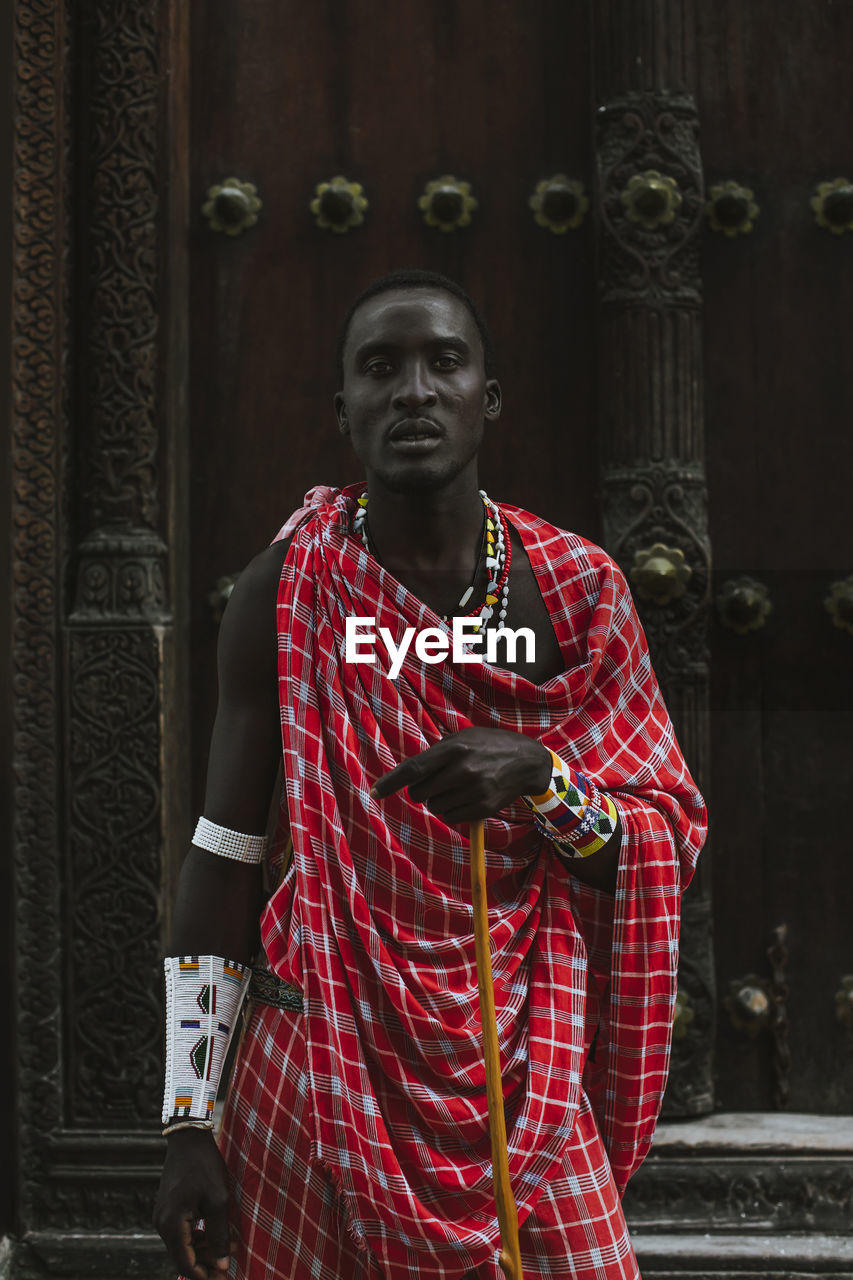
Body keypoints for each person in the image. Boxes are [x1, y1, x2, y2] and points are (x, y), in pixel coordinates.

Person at [153, 269, 706, 1280]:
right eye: (380, 367)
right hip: (314, 1056)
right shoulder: (290, 585)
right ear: (343, 407)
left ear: (485, 396)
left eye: (442, 362)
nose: (413, 389)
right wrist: (191, 1119)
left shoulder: (572, 590)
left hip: (514, 1064)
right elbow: (224, 850)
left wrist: (544, 779)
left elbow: (654, 839)